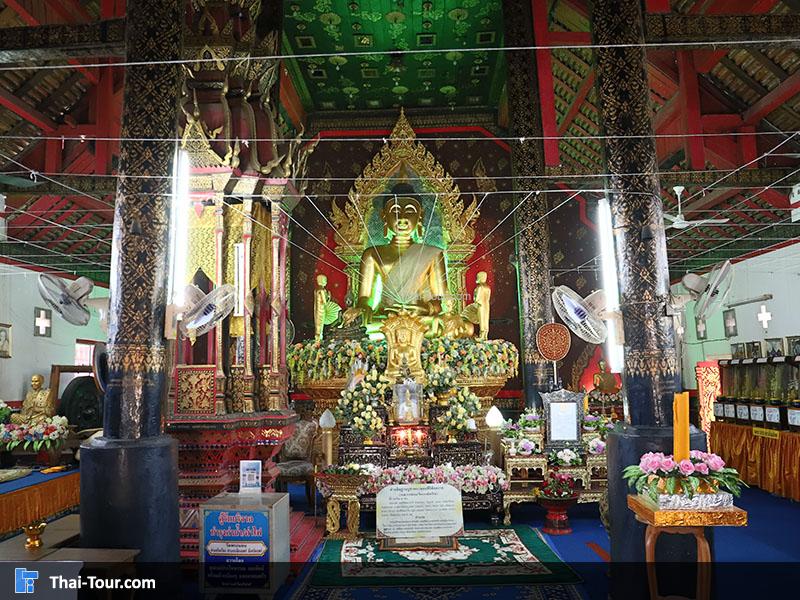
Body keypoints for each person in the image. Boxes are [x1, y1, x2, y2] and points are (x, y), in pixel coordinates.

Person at [342, 183, 447, 329]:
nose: (402, 218)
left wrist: (426, 309)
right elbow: (364, 299)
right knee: (366, 328)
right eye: (395, 210)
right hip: (385, 318)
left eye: (410, 211)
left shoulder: (434, 253)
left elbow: (441, 299)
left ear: (420, 215)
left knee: (446, 326)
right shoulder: (372, 254)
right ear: (384, 215)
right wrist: (361, 309)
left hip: (420, 319)